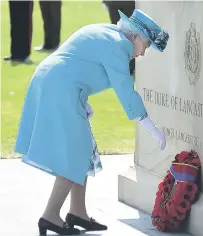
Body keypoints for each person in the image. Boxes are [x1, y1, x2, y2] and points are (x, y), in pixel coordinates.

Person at [14, 9, 169, 235]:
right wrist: (152, 129)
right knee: (75, 153)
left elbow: (78, 63)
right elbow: (126, 91)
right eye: (145, 46)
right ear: (135, 37)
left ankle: (77, 212)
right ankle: (50, 215)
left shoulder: (107, 32)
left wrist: (80, 99)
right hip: (60, 89)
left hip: (55, 83)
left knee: (82, 149)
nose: (143, 53)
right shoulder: (120, 46)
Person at [102, 0, 136, 75]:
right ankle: (127, 66)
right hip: (116, 3)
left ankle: (127, 66)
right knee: (121, 34)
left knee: (123, 34)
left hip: (121, 3)